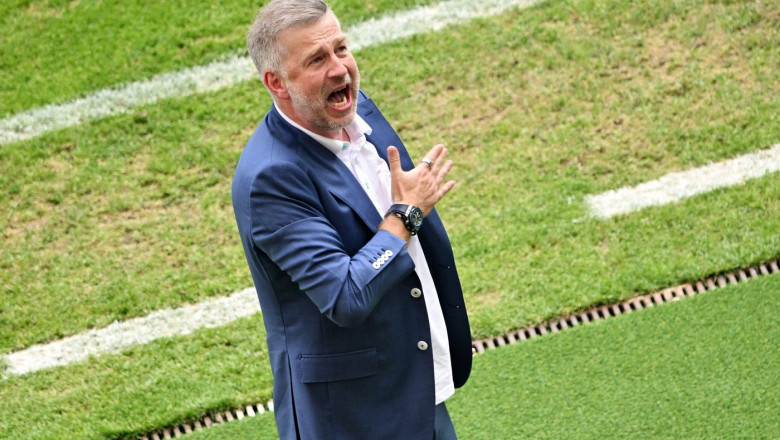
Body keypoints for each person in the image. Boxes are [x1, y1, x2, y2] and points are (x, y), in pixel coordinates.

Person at [232, 1, 472, 438]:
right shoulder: (272, 178)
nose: (340, 69)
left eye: (341, 48)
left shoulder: (358, 112)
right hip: (355, 418)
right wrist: (405, 215)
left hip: (415, 388)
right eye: (316, 60)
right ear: (276, 82)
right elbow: (344, 296)